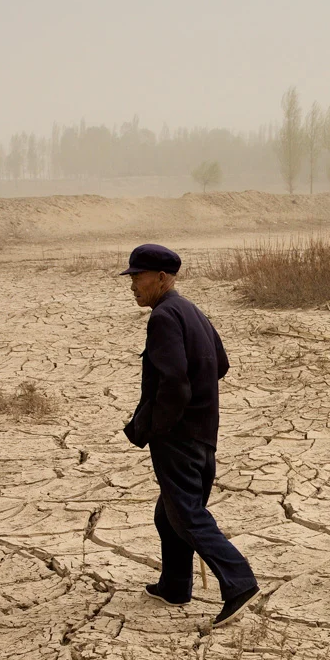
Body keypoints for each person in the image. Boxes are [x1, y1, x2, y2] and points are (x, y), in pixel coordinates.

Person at [120, 243, 259, 627]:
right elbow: (221, 365)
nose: (132, 284)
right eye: (131, 277)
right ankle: (176, 585)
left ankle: (240, 582)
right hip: (203, 432)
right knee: (170, 514)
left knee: (187, 514)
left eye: (138, 276)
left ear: (161, 278)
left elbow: (175, 385)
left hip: (178, 437)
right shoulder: (192, 311)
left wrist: (157, 428)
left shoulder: (164, 317)